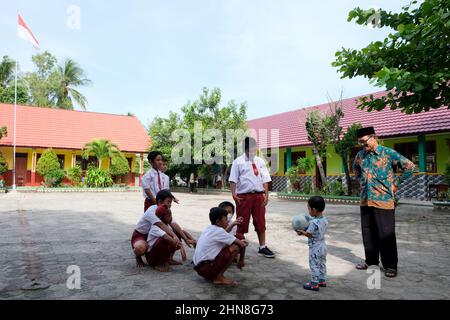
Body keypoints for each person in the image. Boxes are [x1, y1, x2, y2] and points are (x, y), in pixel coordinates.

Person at [353, 126, 415, 278]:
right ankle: (371, 261)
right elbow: (356, 169)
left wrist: (395, 184)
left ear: (374, 137)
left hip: (384, 200)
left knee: (386, 234)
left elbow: (410, 166)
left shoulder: (387, 153)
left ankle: (390, 266)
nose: (363, 145)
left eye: (364, 141)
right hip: (365, 200)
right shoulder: (360, 155)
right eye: (360, 142)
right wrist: (362, 182)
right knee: (368, 233)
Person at [229, 137, 274, 265]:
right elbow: (233, 180)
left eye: (254, 150)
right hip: (244, 196)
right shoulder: (238, 162)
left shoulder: (260, 161)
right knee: (242, 222)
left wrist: (266, 195)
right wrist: (234, 194)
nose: (253, 152)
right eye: (250, 150)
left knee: (260, 221)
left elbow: (265, 178)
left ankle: (262, 247)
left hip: (259, 196)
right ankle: (237, 248)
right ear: (245, 149)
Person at [131, 189, 195, 267]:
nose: (170, 205)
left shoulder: (165, 210)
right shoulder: (152, 211)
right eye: (168, 202)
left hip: (154, 234)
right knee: (140, 248)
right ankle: (139, 257)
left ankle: (169, 258)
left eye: (171, 202)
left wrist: (185, 239)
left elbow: (174, 224)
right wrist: (175, 237)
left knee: (177, 232)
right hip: (141, 235)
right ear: (160, 202)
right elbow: (162, 225)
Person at [193, 207, 248, 285]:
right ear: (218, 222)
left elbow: (225, 234)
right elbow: (242, 244)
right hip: (206, 269)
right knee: (235, 247)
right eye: (226, 219)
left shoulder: (209, 228)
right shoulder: (219, 231)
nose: (228, 221)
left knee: (230, 245)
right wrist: (241, 260)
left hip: (200, 268)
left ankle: (216, 275)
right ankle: (218, 277)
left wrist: (233, 225)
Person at [297, 196, 328, 291]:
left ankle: (314, 283)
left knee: (314, 264)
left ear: (314, 209)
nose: (309, 211)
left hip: (315, 247)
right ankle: (322, 280)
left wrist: (302, 232)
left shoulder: (313, 222)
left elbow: (309, 234)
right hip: (323, 246)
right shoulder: (324, 219)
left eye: (309, 209)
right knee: (322, 263)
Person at [145, 204, 183, 272]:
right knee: (163, 240)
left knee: (177, 234)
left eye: (171, 215)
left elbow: (182, 232)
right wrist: (180, 246)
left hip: (160, 253)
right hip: (152, 257)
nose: (171, 217)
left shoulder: (168, 226)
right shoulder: (155, 227)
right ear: (161, 218)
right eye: (168, 216)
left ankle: (169, 259)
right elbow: (166, 237)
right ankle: (161, 264)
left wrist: (187, 239)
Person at [219, 201, 245, 268]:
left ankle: (239, 258)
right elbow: (222, 235)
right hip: (218, 246)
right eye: (226, 212)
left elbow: (230, 238)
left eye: (230, 212)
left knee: (241, 237)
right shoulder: (217, 223)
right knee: (239, 242)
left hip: (227, 243)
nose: (228, 214)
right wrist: (232, 225)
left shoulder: (233, 224)